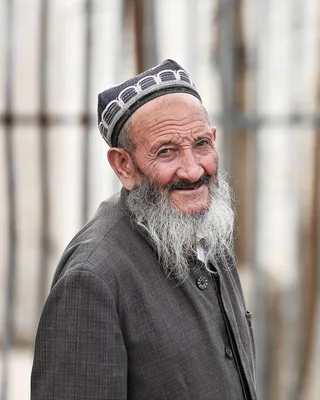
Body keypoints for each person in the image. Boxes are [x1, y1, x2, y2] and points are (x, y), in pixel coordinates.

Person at [31, 59, 257, 400]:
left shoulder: (206, 227)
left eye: (200, 145)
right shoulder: (92, 277)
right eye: (166, 152)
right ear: (124, 166)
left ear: (213, 139)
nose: (194, 171)